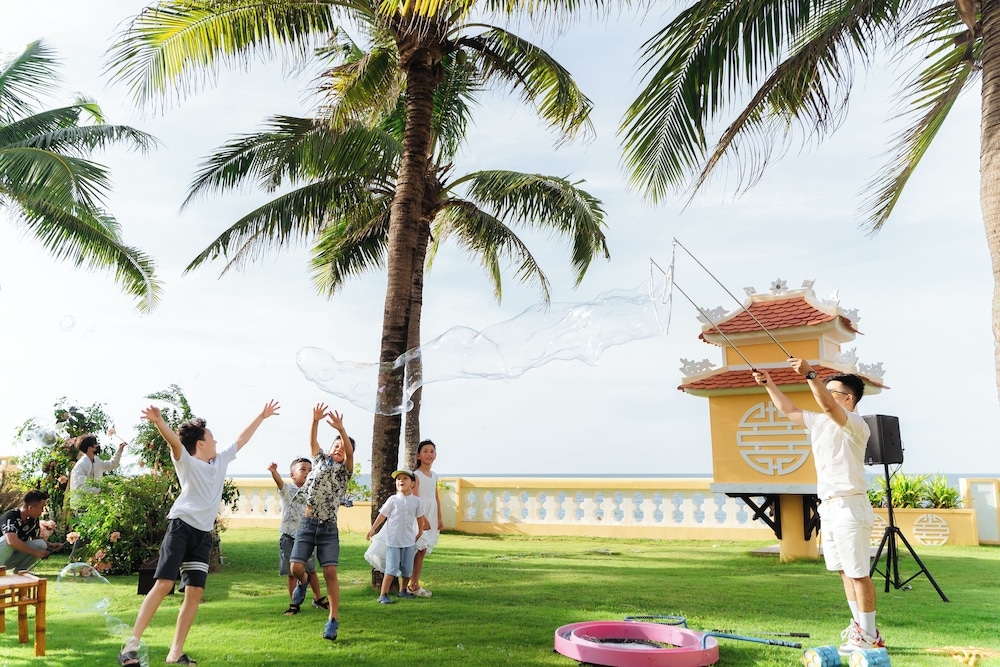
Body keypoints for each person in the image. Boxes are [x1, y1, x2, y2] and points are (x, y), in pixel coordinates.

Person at [117, 400, 280, 667]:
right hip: (181, 528)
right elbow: (174, 443)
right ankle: (130, 647)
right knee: (164, 584)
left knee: (194, 593)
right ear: (201, 444)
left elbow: (242, 439)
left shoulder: (220, 461)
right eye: (212, 438)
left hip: (203, 535)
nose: (216, 442)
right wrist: (159, 422)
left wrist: (261, 416)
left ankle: (175, 653)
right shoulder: (187, 463)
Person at [753, 359, 883, 654]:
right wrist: (769, 383)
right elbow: (790, 410)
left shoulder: (855, 424)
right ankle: (861, 629)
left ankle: (870, 634)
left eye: (831, 390)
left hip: (850, 506)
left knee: (859, 572)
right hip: (829, 507)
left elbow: (827, 407)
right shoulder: (821, 422)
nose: (823, 393)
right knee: (844, 572)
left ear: (848, 398)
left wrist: (810, 375)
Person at [288, 403, 354, 641]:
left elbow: (350, 452)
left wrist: (342, 430)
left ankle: (333, 620)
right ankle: (303, 582)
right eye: (335, 445)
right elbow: (312, 442)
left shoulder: (344, 470)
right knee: (296, 568)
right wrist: (315, 420)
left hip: (328, 528)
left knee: (330, 571)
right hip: (307, 524)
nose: (338, 449)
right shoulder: (318, 460)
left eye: (342, 447)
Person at [266, 458, 326, 614]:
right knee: (291, 573)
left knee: (311, 570)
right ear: (292, 475)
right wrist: (274, 472)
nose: (307, 472)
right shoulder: (289, 490)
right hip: (289, 537)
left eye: (310, 470)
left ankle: (318, 598)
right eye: (303, 469)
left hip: (306, 538)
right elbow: (279, 483)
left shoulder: (312, 493)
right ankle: (294, 602)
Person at [366, 469, 424, 604]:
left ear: (412, 484)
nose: (401, 481)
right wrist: (373, 529)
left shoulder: (416, 501)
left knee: (407, 568)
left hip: (409, 541)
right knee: (391, 569)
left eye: (405, 478)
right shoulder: (393, 500)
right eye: (398, 479)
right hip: (393, 541)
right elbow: (382, 515)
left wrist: (420, 531)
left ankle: (403, 591)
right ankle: (383, 594)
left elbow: (420, 517)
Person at [407, 439, 442, 597]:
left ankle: (414, 583)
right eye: (425, 451)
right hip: (420, 516)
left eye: (432, 451)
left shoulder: (434, 475)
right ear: (418, 456)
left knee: (423, 550)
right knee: (418, 549)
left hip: (432, 515)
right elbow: (415, 499)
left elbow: (436, 497)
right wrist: (423, 519)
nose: (429, 454)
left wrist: (439, 518)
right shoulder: (416, 475)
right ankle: (412, 584)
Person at [0, 490, 63, 571]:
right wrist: (36, 553)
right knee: (7, 540)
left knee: (41, 544)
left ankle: (22, 572)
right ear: (30, 508)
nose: (43, 510)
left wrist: (50, 545)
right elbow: (11, 541)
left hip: (10, 557)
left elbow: (35, 538)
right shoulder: (10, 516)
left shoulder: (33, 519)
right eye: (41, 507)